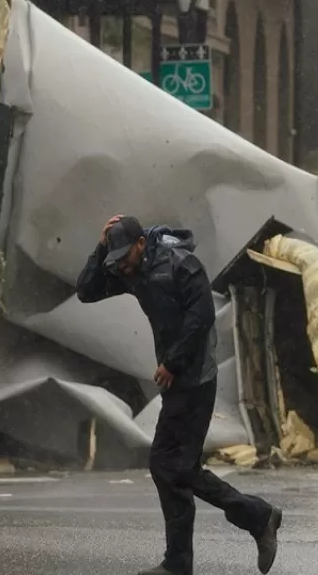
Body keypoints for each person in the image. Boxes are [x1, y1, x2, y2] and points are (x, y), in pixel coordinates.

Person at [76, 215, 283, 575]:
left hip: (196, 377)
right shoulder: (132, 269)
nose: (122, 264)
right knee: (174, 467)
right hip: (175, 380)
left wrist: (173, 362)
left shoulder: (180, 264)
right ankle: (232, 532)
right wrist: (100, 248)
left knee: (171, 466)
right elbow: (86, 291)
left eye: (125, 255)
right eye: (118, 259)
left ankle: (249, 522)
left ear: (142, 243)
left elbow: (201, 316)